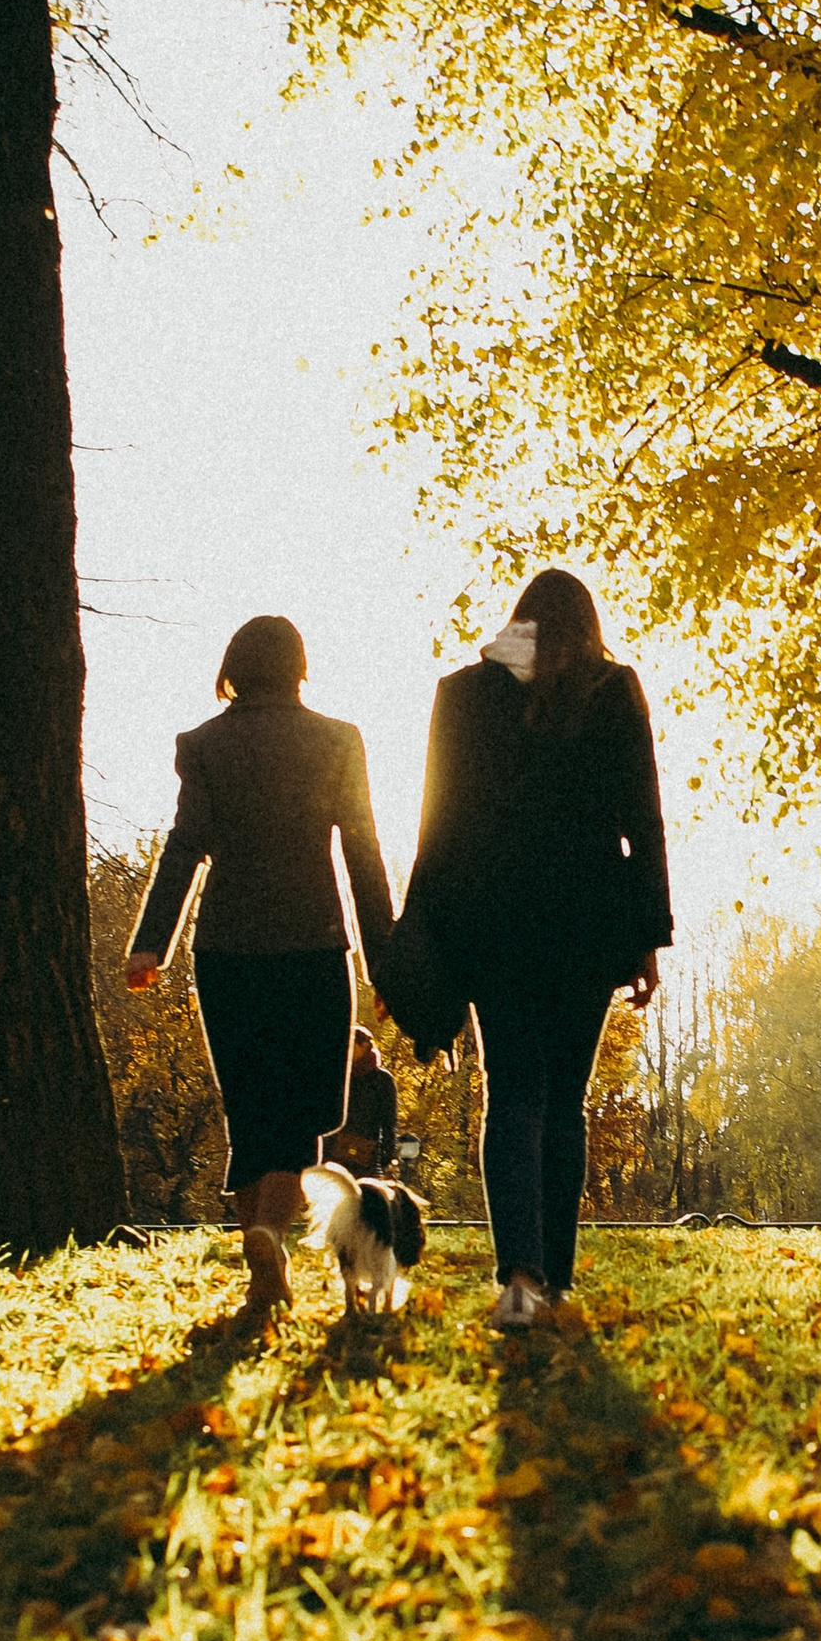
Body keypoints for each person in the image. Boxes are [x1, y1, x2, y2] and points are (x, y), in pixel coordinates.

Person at [402, 566, 671, 1328]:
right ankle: (554, 1280)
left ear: (516, 621)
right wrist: (649, 934)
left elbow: (438, 824)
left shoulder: (462, 693)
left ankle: (518, 1278)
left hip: (494, 924)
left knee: (513, 1092)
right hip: (588, 922)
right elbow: (642, 818)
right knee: (566, 1102)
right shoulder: (613, 689)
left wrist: (425, 934)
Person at [125, 615, 393, 1326]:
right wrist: (385, 957)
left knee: (250, 1108)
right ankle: (269, 1234)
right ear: (301, 667)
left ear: (234, 668)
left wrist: (151, 942)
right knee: (303, 1117)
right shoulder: (337, 740)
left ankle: (259, 1257)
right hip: (311, 943)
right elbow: (363, 853)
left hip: (228, 948)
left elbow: (184, 847)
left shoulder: (204, 744)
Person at [331, 1026, 399, 1177]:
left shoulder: (382, 1080)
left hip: (365, 1158)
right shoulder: (338, 1074)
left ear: (364, 1046)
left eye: (351, 1045)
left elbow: (389, 1122)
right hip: (333, 1154)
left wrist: (386, 1158)